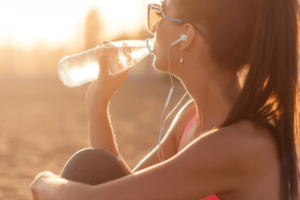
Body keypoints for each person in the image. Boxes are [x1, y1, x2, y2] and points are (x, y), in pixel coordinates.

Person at [30, 0, 300, 199]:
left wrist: (44, 183)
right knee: (92, 166)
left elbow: (93, 198)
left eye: (161, 14)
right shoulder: (190, 117)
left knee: (81, 170)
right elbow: (125, 185)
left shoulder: (237, 143)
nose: (154, 26)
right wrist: (97, 103)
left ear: (186, 36)